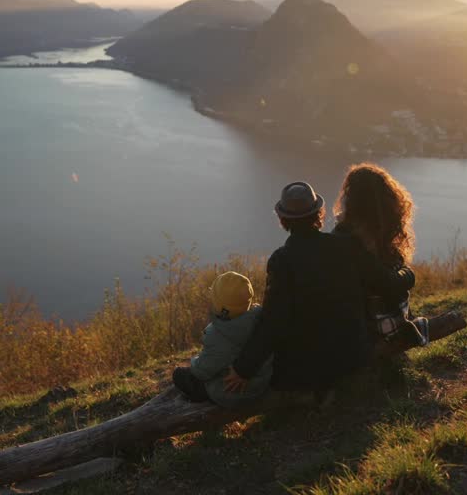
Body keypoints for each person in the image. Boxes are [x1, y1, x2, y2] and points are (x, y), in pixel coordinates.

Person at [224, 181, 414, 397]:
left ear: (282, 219)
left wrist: (243, 369)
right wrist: (408, 273)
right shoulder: (347, 246)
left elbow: (273, 321)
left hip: (304, 372)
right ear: (319, 213)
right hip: (353, 358)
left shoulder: (282, 261)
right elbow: (388, 283)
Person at [333, 163, 429, 347]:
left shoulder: (347, 236)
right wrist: (408, 273)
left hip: (361, 324)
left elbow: (387, 283)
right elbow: (390, 283)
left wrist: (407, 275)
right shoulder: (375, 236)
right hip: (375, 323)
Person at [171, 271, 272, 407]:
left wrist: (194, 362)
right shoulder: (260, 317)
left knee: (179, 375)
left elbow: (202, 371)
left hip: (236, 392)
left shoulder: (219, 335)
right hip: (262, 380)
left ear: (219, 305)